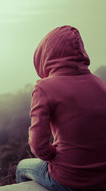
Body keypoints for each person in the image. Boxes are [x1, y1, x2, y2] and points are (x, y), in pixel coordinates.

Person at [16, 25, 106, 191]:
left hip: (69, 178)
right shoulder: (100, 84)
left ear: (47, 54)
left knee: (22, 168)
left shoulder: (44, 87)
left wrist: (52, 156)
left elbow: (38, 146)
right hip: (102, 177)